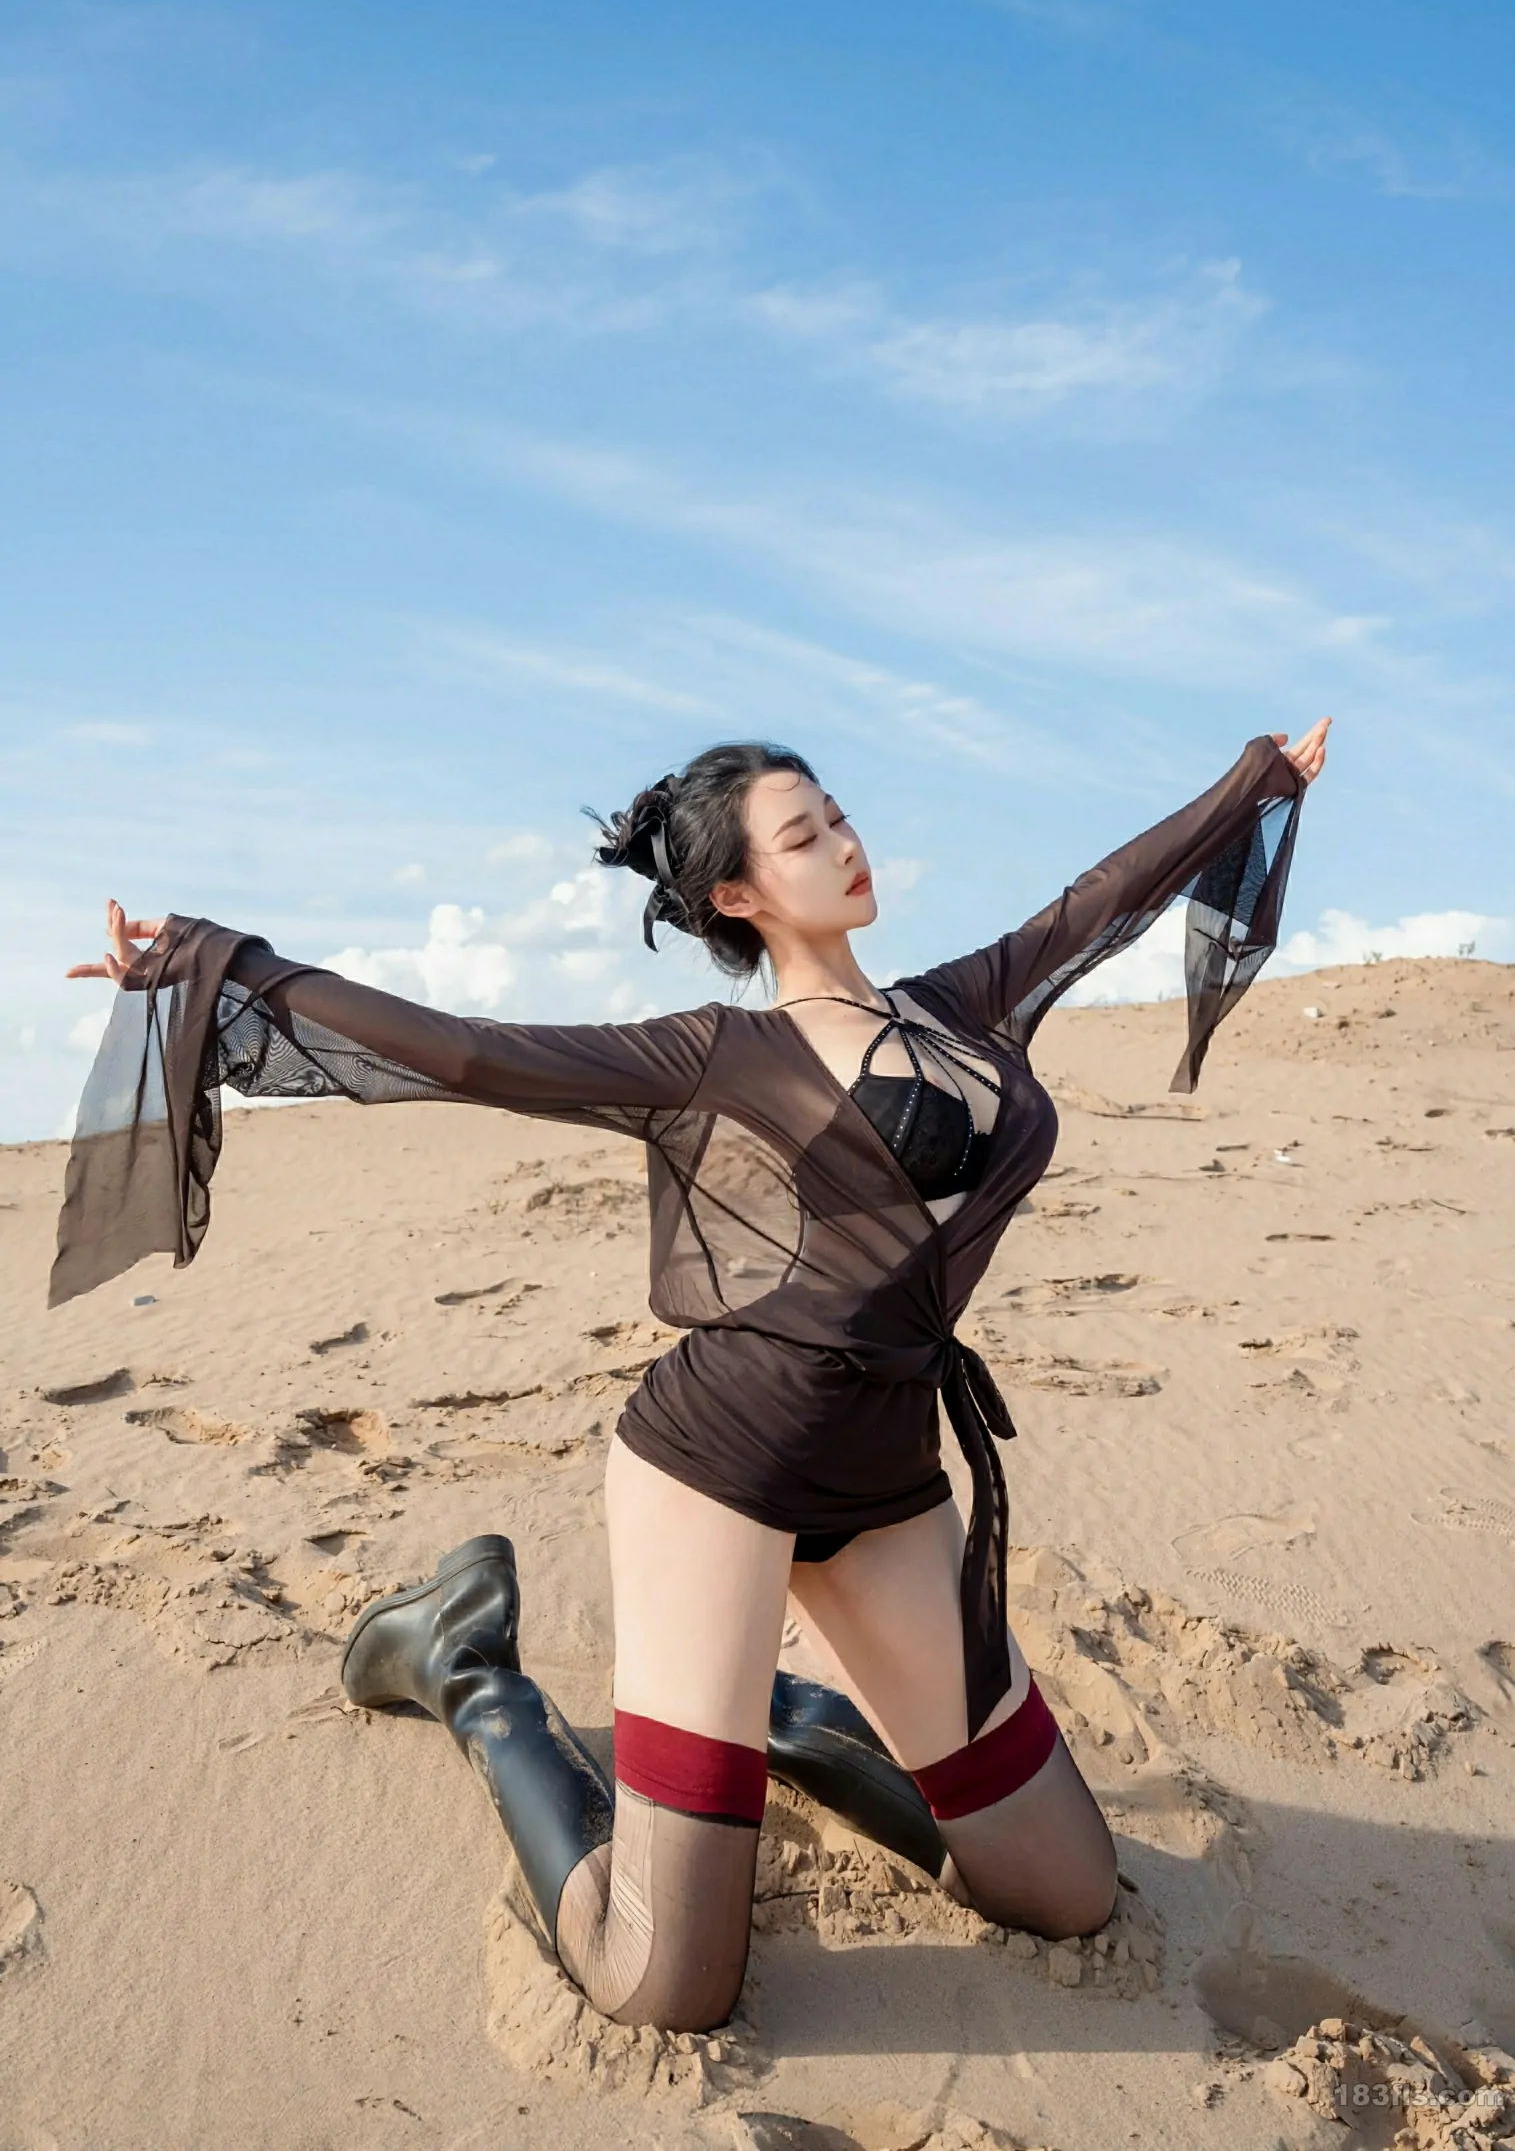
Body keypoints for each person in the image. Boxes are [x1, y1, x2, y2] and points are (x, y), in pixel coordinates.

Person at [60, 718, 1329, 2033]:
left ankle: (785, 1719)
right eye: (802, 837)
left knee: (1066, 1892)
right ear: (735, 895)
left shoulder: (959, 1005)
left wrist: (1254, 783)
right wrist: (217, 966)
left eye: (837, 816)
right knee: (665, 1984)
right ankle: (470, 1671)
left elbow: (1097, 902)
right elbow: (466, 1051)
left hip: (888, 1481)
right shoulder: (715, 1057)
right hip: (719, 1475)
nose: (843, 844)